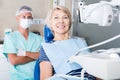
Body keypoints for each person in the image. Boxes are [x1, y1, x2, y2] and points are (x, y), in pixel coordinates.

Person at [34, 6, 99, 80]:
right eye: (56, 18)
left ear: (70, 22)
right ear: (50, 24)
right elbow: (45, 78)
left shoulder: (81, 42)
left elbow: (94, 70)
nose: (61, 21)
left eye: (65, 17)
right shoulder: (47, 48)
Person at [3, 5, 43, 80]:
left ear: (32, 19)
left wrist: (25, 53)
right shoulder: (10, 37)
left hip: (36, 77)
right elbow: (14, 61)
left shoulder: (39, 38)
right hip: (18, 77)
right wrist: (35, 56)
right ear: (17, 18)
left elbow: (43, 56)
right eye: (23, 17)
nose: (26, 19)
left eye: (29, 17)